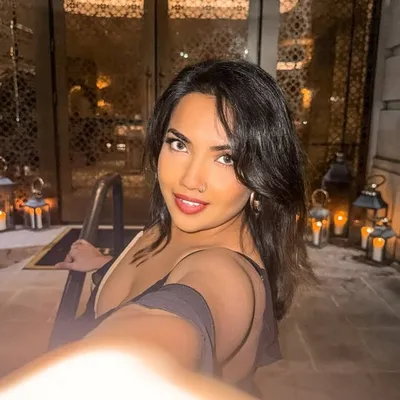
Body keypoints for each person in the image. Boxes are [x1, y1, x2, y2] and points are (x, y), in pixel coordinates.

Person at [0, 60, 314, 398]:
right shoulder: (173, 226)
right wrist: (106, 267)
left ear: (263, 173)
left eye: (226, 158)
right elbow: (152, 284)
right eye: (179, 144)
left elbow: (130, 361)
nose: (190, 180)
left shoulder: (225, 274)